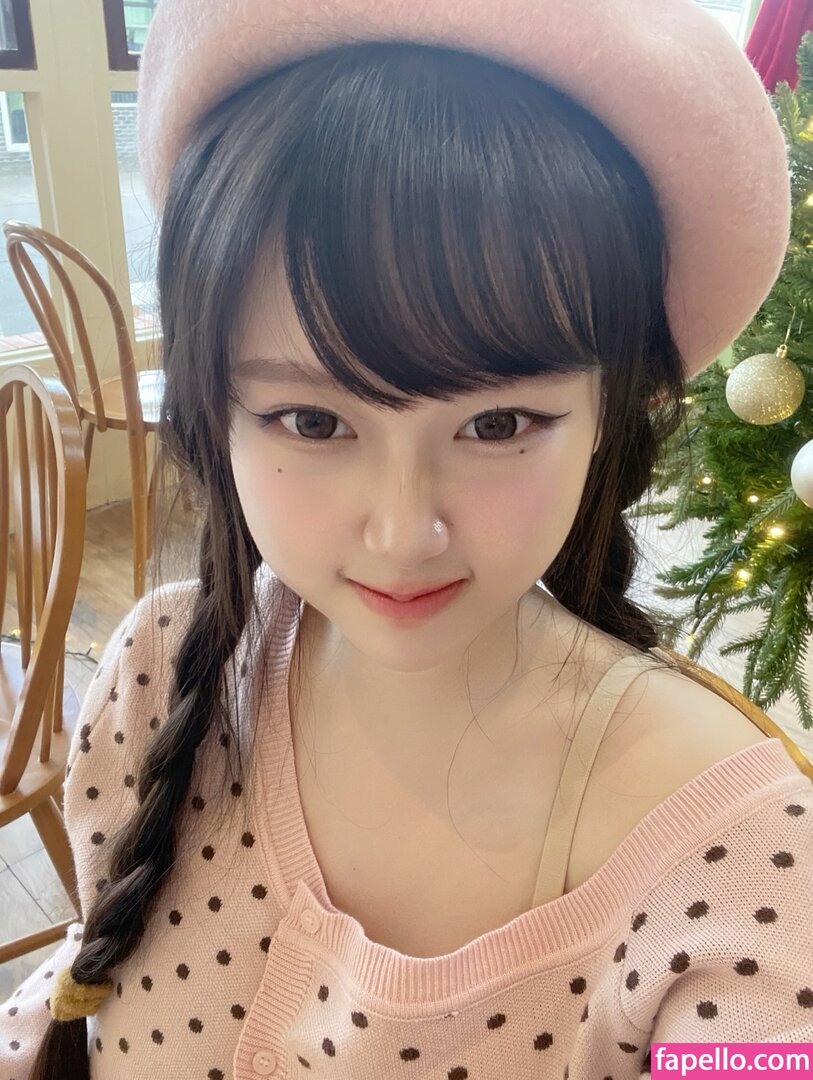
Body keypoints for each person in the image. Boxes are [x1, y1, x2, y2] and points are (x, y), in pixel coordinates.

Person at [2, 0, 812, 1077]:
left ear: (611, 412)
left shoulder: (742, 855)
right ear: (214, 410)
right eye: (312, 422)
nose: (402, 532)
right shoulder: (161, 663)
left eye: (498, 423)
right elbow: (78, 988)